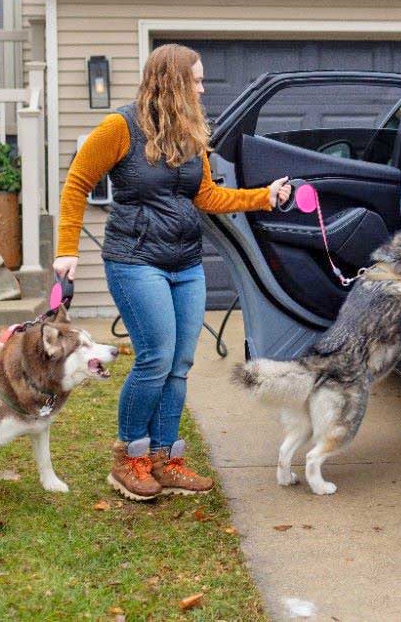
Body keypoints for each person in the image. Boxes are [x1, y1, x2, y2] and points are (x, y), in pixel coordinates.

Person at [53, 44, 291, 501]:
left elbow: (206, 196)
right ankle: (128, 459)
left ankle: (164, 458)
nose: (203, 88)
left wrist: (264, 196)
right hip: (135, 261)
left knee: (179, 365)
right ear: (174, 83)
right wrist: (67, 249)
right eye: (196, 80)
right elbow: (78, 182)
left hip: (184, 264)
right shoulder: (120, 127)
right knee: (155, 358)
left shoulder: (189, 134)